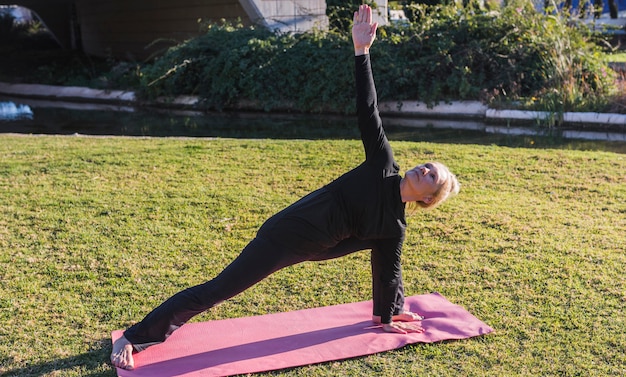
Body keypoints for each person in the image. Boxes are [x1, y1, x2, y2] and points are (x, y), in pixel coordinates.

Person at [110, 4, 460, 370]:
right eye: (427, 164)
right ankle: (136, 336)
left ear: (428, 199)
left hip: (317, 245)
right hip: (286, 235)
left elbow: (389, 271)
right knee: (217, 290)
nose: (424, 168)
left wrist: (387, 317)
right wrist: (362, 51)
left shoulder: (395, 225)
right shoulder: (383, 165)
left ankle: (386, 312)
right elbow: (368, 110)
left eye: (431, 176)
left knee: (387, 245)